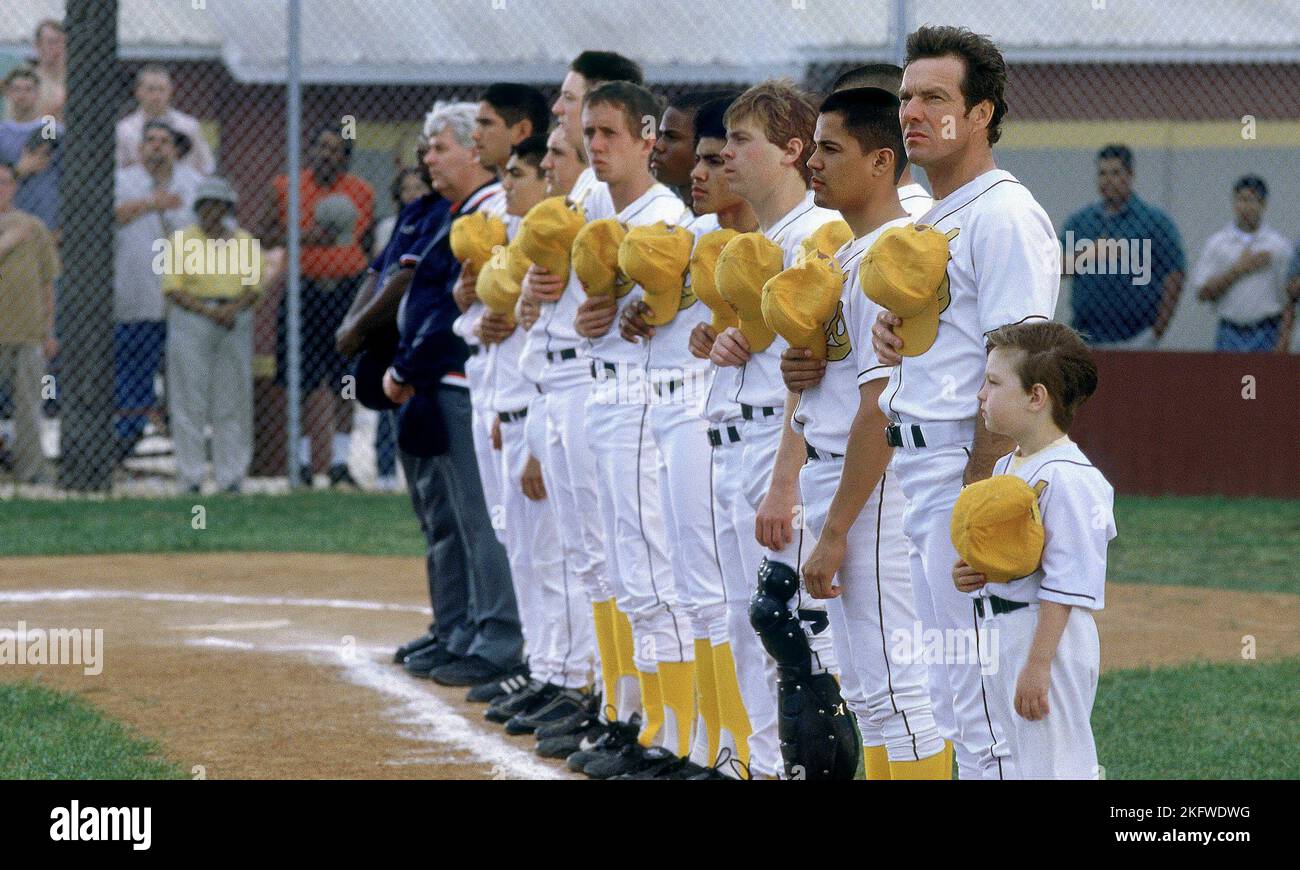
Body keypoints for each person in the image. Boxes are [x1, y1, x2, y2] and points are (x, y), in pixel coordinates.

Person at [868, 25, 1061, 779]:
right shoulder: (933, 216)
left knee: (983, 697)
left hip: (963, 464)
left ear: (980, 114)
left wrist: (981, 486)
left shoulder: (1003, 213)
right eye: (906, 96)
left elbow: (1023, 367)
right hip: (923, 466)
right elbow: (954, 342)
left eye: (935, 97)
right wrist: (897, 336)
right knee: (954, 690)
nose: (912, 111)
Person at [772, 87, 947, 779]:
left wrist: (838, 528)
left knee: (897, 693)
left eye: (830, 149)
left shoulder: (889, 257)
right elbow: (848, 383)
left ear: (882, 162)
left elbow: (882, 409)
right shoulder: (849, 254)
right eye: (814, 147)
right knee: (873, 692)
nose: (812, 161)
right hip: (842, 476)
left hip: (869, 490)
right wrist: (802, 366)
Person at [706, 79, 846, 780]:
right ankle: (761, 762)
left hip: (780, 449)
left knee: (792, 625)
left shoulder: (818, 236)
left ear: (793, 151)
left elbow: (809, 375)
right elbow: (769, 351)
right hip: (740, 441)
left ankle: (805, 765)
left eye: (741, 141)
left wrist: (783, 482)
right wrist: (729, 340)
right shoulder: (759, 240)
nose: (724, 154)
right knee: (746, 619)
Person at [518, 51, 641, 765]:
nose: (563, 111)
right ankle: (601, 695)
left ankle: (622, 705)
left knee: (623, 562)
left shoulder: (629, 202)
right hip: (574, 385)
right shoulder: (587, 197)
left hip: (613, 393)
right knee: (592, 558)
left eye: (574, 101)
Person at [381, 101, 523, 688]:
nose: (428, 157)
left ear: (473, 150)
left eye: (441, 146)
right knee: (453, 517)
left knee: (479, 515)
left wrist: (411, 364)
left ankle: (497, 636)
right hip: (446, 379)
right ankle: (463, 626)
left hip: (467, 379)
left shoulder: (491, 209)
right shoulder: (451, 211)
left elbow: (447, 307)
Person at [957, 320, 1113, 778]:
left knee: (1058, 766)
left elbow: (1069, 583)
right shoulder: (1011, 462)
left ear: (1036, 397)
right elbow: (1016, 559)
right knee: (1025, 765)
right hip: (1007, 634)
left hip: (1048, 642)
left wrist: (1038, 665)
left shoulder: (1071, 477)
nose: (981, 395)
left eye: (993, 382)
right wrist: (976, 572)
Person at [266, 126, 373, 488]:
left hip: (346, 292)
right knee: (303, 378)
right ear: (310, 150)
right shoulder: (286, 187)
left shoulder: (361, 191)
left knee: (345, 379)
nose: (326, 154)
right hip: (304, 291)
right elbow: (263, 234)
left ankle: (341, 462)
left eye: (336, 149)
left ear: (345, 157)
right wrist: (304, 236)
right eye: (321, 147)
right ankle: (302, 464)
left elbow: (368, 244)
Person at [161, 177, 261, 493]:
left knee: (231, 401)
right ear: (198, 208)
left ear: (227, 208)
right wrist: (210, 312)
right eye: (206, 204)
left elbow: (254, 286)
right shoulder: (182, 240)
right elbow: (173, 288)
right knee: (189, 400)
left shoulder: (244, 241)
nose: (212, 211)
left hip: (234, 319)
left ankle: (230, 476)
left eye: (218, 205)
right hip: (192, 319)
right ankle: (190, 477)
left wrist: (231, 309)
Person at [113, 120, 201, 460]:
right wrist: (153, 203)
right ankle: (126, 437)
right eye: (150, 140)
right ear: (139, 147)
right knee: (131, 367)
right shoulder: (123, 181)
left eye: (164, 141)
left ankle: (184, 438)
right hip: (136, 293)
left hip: (184, 299)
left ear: (176, 149)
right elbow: (112, 215)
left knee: (182, 371)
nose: (157, 147)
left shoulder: (193, 184)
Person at [1060, 144, 1185, 348]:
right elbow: (1055, 268)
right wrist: (1088, 255)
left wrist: (1156, 332)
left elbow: (1175, 274)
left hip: (1137, 338)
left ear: (1130, 175)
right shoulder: (1080, 222)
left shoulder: (1154, 222)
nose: (1108, 180)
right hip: (1085, 338)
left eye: (1115, 173)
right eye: (1102, 173)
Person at [368, 166, 433, 492]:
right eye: (406, 188)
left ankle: (418, 472)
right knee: (387, 394)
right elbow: (380, 272)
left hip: (422, 325)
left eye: (419, 187)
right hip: (391, 324)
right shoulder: (392, 227)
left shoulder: (433, 220)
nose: (413, 194)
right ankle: (384, 470)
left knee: (418, 396)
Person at [0, 161, 59, 484]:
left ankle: (31, 471)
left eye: (6, 183)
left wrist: (47, 331)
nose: (1, 189)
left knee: (28, 407)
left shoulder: (33, 227)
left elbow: (46, 282)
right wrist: (8, 242)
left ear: (15, 187)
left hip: (26, 331)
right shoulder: (17, 232)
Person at [1191, 175, 1295, 353]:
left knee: (1263, 380)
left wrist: (1284, 338)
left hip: (1267, 330)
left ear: (1263, 205)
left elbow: (1289, 298)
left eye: (1252, 200)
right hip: (1229, 331)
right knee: (1228, 380)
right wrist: (1238, 270)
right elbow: (1202, 293)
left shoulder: (1278, 247)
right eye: (1241, 200)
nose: (1245, 207)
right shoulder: (1218, 244)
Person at [116, 64, 216, 176]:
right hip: (139, 190)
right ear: (138, 92)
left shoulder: (188, 126)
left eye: (161, 89)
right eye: (151, 89)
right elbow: (118, 168)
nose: (156, 96)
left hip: (181, 190)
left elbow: (207, 165)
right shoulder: (124, 130)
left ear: (170, 91)